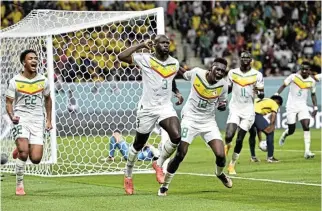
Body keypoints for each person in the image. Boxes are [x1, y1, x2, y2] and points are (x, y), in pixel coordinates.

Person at [118, 35, 184, 195]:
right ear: (154, 45)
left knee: (176, 137)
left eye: (168, 43)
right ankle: (128, 175)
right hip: (147, 108)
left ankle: (158, 163)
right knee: (138, 144)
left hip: (165, 107)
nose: (166, 45)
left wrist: (176, 91)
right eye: (162, 42)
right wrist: (140, 45)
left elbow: (170, 77)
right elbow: (121, 57)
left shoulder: (174, 63)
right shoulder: (145, 59)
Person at [158, 58, 232, 196]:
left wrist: (222, 106)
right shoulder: (197, 73)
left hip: (208, 121)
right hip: (190, 119)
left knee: (221, 155)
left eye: (223, 71)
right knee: (181, 153)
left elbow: (223, 102)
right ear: (211, 68)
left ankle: (219, 173)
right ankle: (165, 185)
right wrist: (172, 65)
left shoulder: (224, 85)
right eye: (218, 69)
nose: (220, 73)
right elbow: (183, 73)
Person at [6, 49, 52, 195]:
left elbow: (48, 99)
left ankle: (20, 148)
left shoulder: (43, 80)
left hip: (37, 120)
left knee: (36, 159)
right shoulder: (15, 81)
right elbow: (8, 102)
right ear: (23, 62)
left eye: (36, 58)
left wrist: (49, 120)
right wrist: (12, 115)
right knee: (24, 153)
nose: (34, 60)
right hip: (21, 119)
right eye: (30, 58)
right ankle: (19, 184)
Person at [224, 51, 264, 175]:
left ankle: (232, 165)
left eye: (248, 57)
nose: (245, 59)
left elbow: (262, 95)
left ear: (251, 60)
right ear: (240, 59)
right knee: (229, 135)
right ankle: (227, 146)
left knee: (240, 139)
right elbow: (228, 89)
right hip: (235, 108)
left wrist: (259, 92)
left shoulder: (257, 75)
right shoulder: (232, 73)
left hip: (248, 111)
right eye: (243, 57)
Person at [275, 62, 317, 159]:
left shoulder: (312, 81)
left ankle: (307, 151)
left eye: (306, 69)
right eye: (303, 69)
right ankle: (285, 134)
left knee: (306, 126)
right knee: (291, 129)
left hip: (303, 106)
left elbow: (313, 94)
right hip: (291, 106)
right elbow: (284, 85)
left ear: (309, 70)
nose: (304, 71)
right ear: (301, 69)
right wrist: (277, 94)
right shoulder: (293, 77)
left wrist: (315, 107)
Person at [248, 95, 284, 163]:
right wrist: (272, 126)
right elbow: (273, 115)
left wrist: (260, 140)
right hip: (255, 114)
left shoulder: (263, 101)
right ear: (278, 103)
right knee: (270, 132)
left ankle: (253, 157)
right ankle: (270, 158)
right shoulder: (274, 103)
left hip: (247, 113)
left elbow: (259, 127)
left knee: (252, 134)